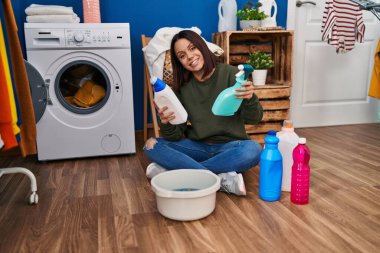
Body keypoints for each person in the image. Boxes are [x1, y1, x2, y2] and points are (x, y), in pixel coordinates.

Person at [143, 30, 263, 196]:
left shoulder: (231, 74)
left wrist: (250, 97)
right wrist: (166, 122)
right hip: (197, 146)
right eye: (182, 55)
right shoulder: (181, 88)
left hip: (231, 147)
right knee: (151, 145)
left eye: (192, 48)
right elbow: (175, 136)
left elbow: (255, 119)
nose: (190, 56)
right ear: (179, 62)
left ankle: (180, 171)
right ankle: (221, 180)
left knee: (253, 150)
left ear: (202, 46)